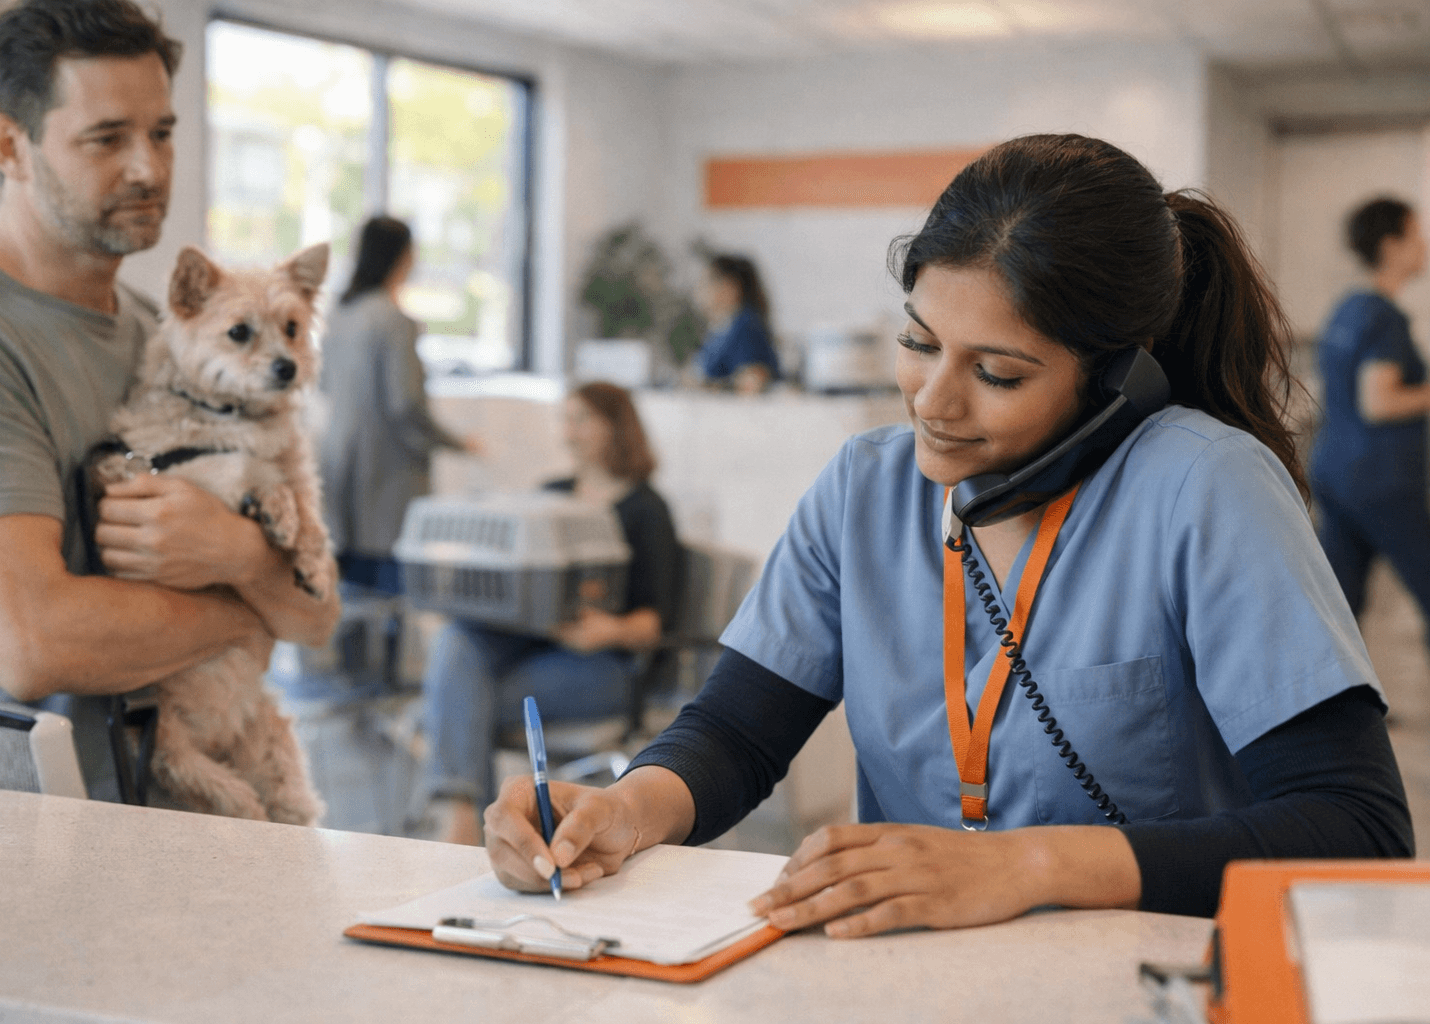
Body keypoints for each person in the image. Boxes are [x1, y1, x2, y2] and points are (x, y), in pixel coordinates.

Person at [483, 134, 1413, 930]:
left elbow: (1355, 828)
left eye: (998, 373)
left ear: (1121, 379)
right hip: (915, 978)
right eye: (921, 342)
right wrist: (624, 810)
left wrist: (1027, 868)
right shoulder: (864, 490)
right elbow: (734, 732)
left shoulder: (1204, 487)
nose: (933, 401)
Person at [0, 0, 339, 802]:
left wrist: (239, 556)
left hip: (182, 816)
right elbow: (28, 642)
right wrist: (247, 611)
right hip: (12, 842)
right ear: (9, 145)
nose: (148, 168)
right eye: (107, 138)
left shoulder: (169, 337)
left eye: (162, 133)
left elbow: (316, 617)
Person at [424, 381, 680, 845]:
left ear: (616, 427)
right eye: (565, 419)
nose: (569, 432)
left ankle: (464, 823)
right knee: (454, 640)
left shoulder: (647, 511)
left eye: (581, 419)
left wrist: (608, 630)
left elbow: (654, 624)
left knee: (459, 696)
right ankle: (468, 816)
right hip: (532, 647)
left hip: (605, 665)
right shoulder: (550, 494)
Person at [319, 215, 478, 595]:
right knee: (391, 602)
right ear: (403, 257)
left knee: (348, 595)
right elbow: (405, 405)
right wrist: (458, 443)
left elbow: (323, 386)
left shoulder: (338, 316)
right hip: (387, 477)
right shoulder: (395, 322)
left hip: (340, 468)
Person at [1310, 197, 1430, 622]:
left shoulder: (1348, 309)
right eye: (1416, 236)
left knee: (1339, 610)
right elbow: (1379, 402)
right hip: (1382, 481)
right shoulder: (1385, 317)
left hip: (1334, 472)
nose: (1424, 245)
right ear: (1391, 245)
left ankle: (1331, 690)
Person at [692, 253, 779, 394]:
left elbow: (753, 380)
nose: (699, 290)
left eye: (706, 283)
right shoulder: (721, 329)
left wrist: (710, 385)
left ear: (730, 287)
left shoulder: (746, 327)